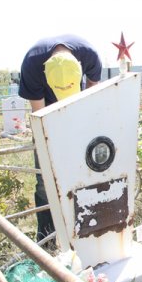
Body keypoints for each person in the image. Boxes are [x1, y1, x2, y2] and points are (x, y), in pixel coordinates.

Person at [19, 34, 102, 243]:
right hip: (46, 111)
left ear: (79, 67)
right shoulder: (32, 65)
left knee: (85, 170)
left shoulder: (90, 56)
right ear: (45, 74)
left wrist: (81, 132)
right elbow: (40, 118)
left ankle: (83, 231)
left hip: (77, 111)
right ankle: (47, 238)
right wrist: (50, 148)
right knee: (45, 180)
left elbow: (91, 99)